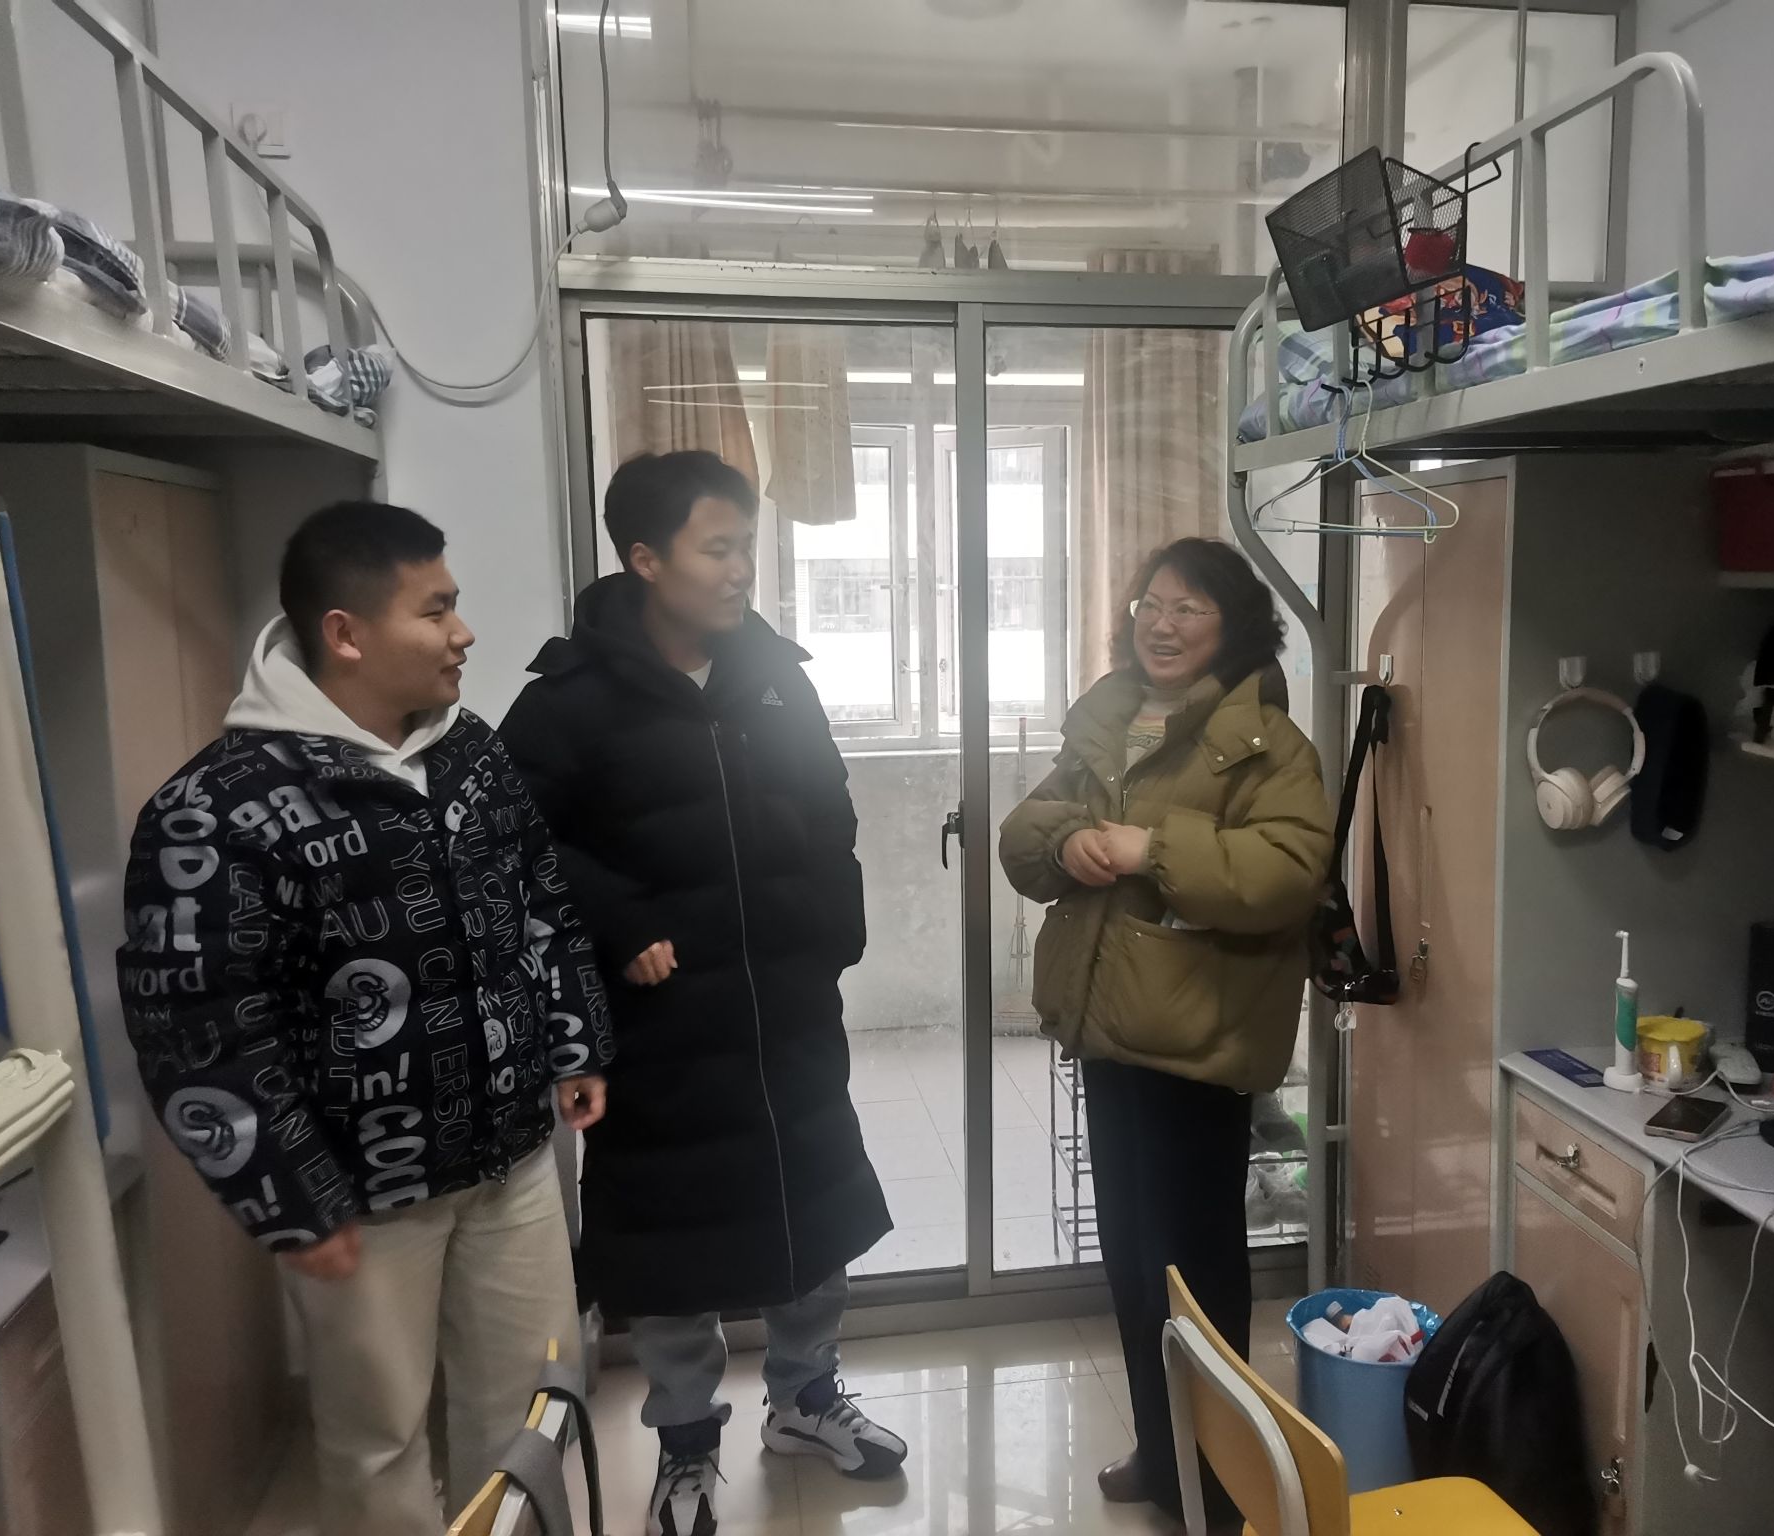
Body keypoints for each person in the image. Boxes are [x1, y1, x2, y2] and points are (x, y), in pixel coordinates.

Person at [116, 502, 614, 1536]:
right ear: (345, 633)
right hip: (363, 1199)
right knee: (377, 1443)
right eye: (435, 611)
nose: (463, 634)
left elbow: (540, 904)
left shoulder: (470, 754)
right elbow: (199, 1031)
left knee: (532, 1412)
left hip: (513, 1161)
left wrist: (574, 1042)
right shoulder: (217, 809)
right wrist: (290, 1193)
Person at [501, 450, 905, 1536]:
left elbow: (828, 806)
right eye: (717, 549)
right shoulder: (569, 700)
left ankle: (805, 1398)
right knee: (672, 1240)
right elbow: (511, 838)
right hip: (663, 1026)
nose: (740, 571)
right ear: (645, 559)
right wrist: (621, 921)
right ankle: (684, 1444)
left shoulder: (774, 675)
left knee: (813, 1212)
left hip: (785, 1011)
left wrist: (834, 928)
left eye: (747, 548)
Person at [998, 537, 1332, 1527]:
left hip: (1196, 1041)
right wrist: (1069, 838)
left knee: (1195, 1272)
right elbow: (1022, 834)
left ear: (1234, 627)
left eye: (1188, 607)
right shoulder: (1108, 720)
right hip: (1111, 1030)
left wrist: (1152, 846)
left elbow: (1284, 875)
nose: (1161, 622)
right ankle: (1160, 1448)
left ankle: (1219, 1485)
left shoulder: (1268, 744)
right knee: (1133, 1260)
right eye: (1150, 602)